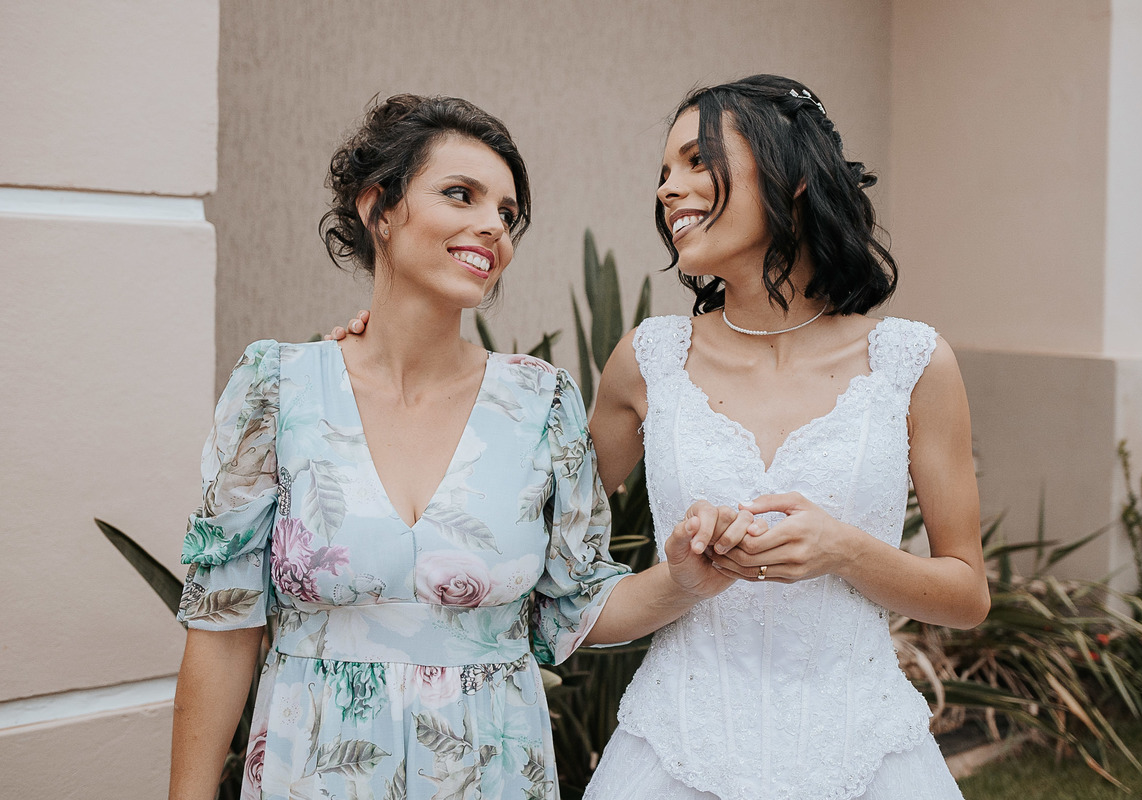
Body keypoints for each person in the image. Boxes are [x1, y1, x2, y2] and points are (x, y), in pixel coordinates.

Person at [335, 75, 988, 800]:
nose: (668, 188)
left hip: (867, 756)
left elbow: (966, 595)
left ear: (795, 175)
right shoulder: (649, 361)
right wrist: (390, 353)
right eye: (664, 171)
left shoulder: (912, 363)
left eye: (697, 160)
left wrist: (844, 549)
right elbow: (520, 538)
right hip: (675, 757)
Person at [169, 94, 736, 800]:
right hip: (310, 773)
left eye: (507, 212)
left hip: (491, 773)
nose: (493, 225)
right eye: (461, 194)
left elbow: (576, 604)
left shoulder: (541, 403)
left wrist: (681, 580)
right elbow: (222, 626)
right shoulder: (276, 388)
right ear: (378, 208)